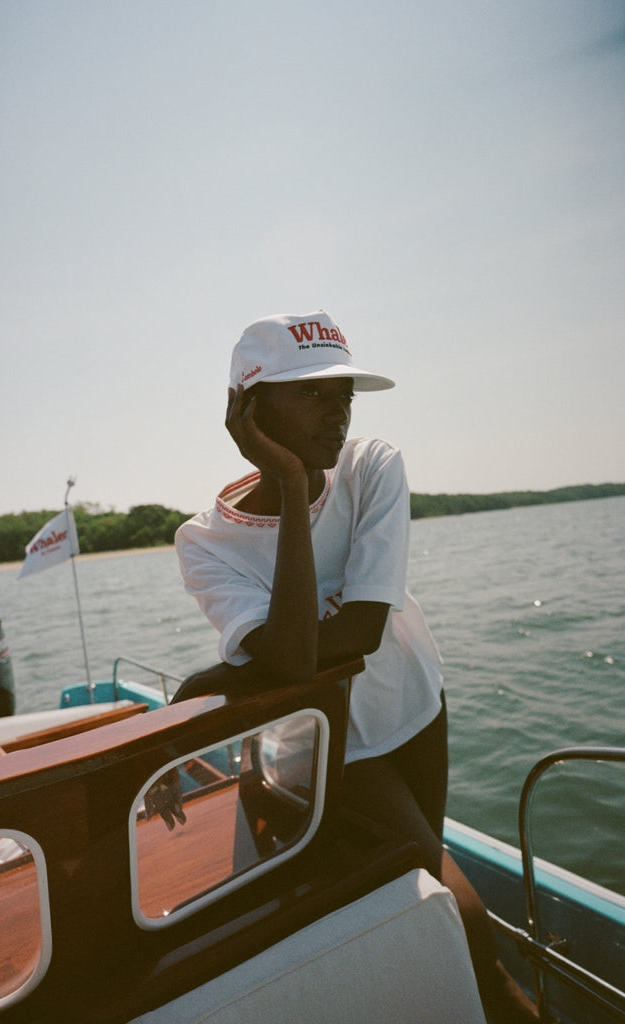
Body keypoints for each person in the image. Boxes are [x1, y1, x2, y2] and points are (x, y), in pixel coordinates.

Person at [175, 310, 539, 1023]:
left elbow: (362, 632)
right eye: (310, 392)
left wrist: (223, 678)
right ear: (246, 407)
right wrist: (284, 479)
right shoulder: (204, 543)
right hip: (336, 744)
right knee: (461, 921)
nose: (336, 411)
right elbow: (298, 658)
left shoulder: (372, 464)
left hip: (414, 704)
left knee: (427, 891)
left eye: (343, 392)